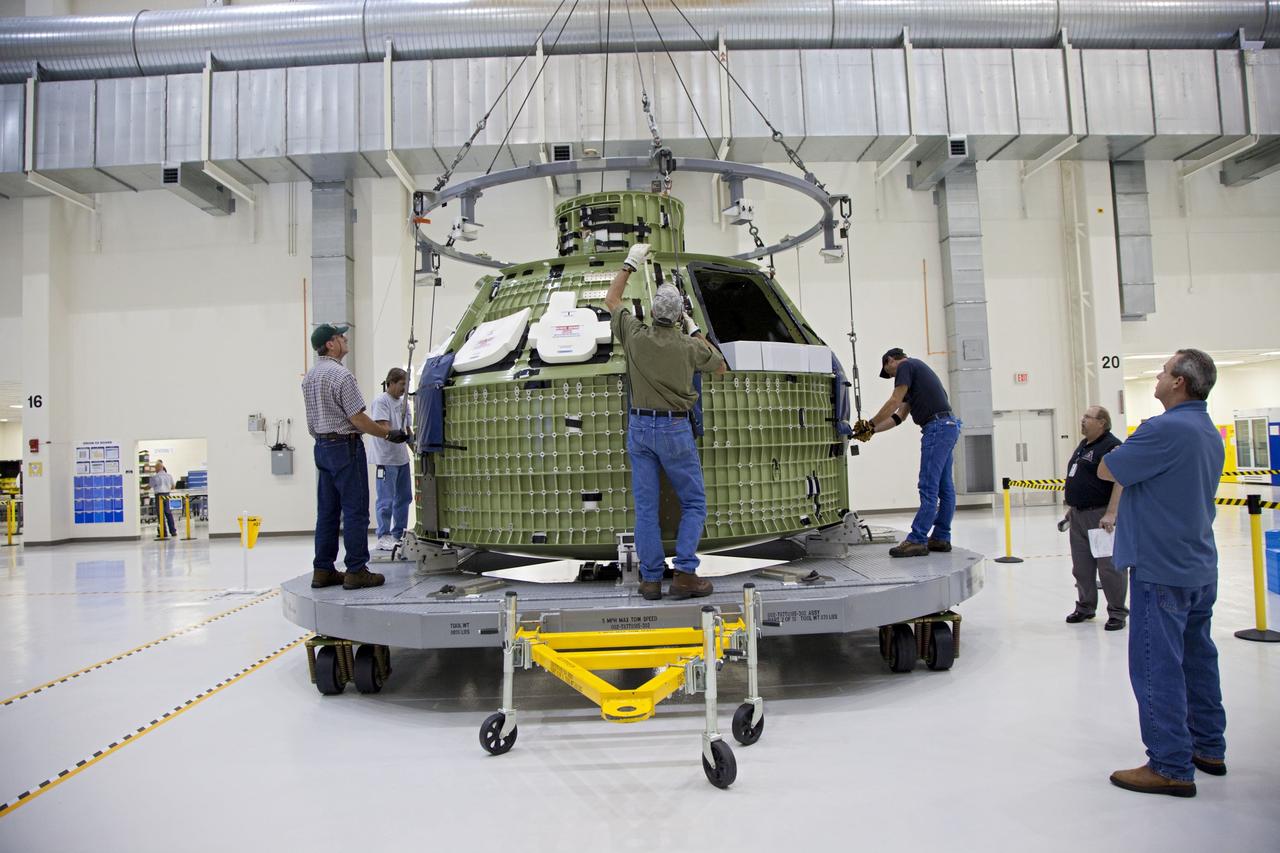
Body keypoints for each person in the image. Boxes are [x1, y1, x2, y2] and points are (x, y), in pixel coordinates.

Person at [1099, 349, 1226, 798]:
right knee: (1198, 659)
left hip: (1161, 566)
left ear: (1179, 383)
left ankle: (1170, 764)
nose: (1157, 375)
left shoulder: (1163, 429)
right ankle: (1208, 747)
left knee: (1156, 667)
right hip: (1198, 564)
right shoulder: (1208, 431)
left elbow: (1108, 467)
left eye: (1163, 370)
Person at [604, 243, 726, 601]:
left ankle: (651, 579)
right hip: (675, 430)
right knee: (693, 503)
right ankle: (686, 573)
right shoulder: (690, 347)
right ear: (676, 317)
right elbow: (719, 365)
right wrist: (693, 328)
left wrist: (629, 263)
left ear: (654, 311)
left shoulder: (635, 336)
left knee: (646, 509)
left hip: (640, 429)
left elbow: (612, 301)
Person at [302, 324, 409, 591]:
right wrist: (387, 434)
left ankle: (323, 569)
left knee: (327, 512)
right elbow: (358, 419)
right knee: (355, 510)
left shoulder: (310, 377)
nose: (345, 338)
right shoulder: (341, 376)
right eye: (340, 336)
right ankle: (356, 569)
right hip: (345, 447)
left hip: (322, 447)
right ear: (330, 344)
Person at [853, 348, 962, 557]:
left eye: (890, 372)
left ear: (890, 360)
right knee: (945, 487)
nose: (893, 377)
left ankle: (917, 539)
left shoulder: (906, 366)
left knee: (928, 486)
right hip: (948, 426)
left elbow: (894, 401)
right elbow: (899, 417)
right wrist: (872, 431)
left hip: (937, 429)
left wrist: (869, 423)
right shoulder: (918, 375)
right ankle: (940, 537)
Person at [1063, 405, 1127, 630]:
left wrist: (1111, 513)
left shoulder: (1112, 446)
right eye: (1083, 416)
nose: (1083, 420)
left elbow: (1121, 480)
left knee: (1108, 567)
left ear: (1102, 422)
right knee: (1081, 566)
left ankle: (1117, 611)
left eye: (1088, 417)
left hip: (1100, 515)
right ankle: (1085, 606)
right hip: (1079, 514)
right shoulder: (1084, 446)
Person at [370, 367, 413, 551]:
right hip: (386, 459)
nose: (404, 388)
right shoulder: (381, 402)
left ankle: (398, 533)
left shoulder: (405, 404)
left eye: (406, 384)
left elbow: (408, 431)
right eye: (402, 384)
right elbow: (384, 428)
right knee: (386, 500)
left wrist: (416, 448)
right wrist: (394, 434)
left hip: (401, 458)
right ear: (391, 383)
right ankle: (383, 536)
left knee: (404, 498)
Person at [151, 460, 176, 538]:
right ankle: (173, 532)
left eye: (155, 467)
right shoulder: (169, 475)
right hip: (167, 495)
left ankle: (163, 532)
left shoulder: (155, 477)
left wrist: (140, 487)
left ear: (158, 468)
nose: (155, 469)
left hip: (159, 496)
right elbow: (173, 486)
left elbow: (148, 487)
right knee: (168, 513)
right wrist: (167, 488)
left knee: (160, 515)